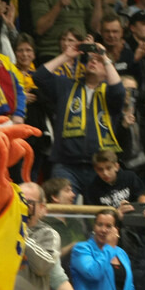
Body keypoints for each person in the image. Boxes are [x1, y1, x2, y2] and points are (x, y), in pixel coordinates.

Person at [36, 36, 125, 198]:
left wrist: (104, 57)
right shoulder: (67, 87)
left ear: (107, 69)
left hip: (100, 165)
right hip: (66, 164)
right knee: (62, 208)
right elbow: (40, 76)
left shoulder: (110, 93)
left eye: (98, 61)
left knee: (100, 213)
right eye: (91, 59)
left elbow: (119, 90)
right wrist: (67, 55)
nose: (93, 61)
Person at [70, 208, 141, 290]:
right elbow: (93, 273)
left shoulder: (121, 253)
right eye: (100, 225)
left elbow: (129, 285)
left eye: (108, 226)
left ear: (116, 230)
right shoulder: (81, 249)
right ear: (94, 227)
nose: (103, 230)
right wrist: (110, 248)